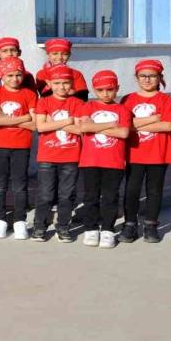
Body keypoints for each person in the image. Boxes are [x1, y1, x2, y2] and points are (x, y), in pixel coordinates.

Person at [119, 59, 171, 243]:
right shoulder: (128, 99)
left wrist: (136, 124)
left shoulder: (166, 100)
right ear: (136, 77)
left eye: (152, 76)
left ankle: (151, 225)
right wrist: (154, 118)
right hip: (134, 152)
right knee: (132, 190)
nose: (147, 79)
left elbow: (167, 126)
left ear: (159, 77)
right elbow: (124, 125)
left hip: (158, 153)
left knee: (154, 190)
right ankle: (130, 224)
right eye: (143, 76)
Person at [76, 70, 132, 249]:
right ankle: (91, 229)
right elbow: (83, 127)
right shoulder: (88, 107)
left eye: (110, 89)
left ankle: (108, 230)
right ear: (94, 90)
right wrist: (110, 124)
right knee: (90, 196)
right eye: (100, 90)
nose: (105, 94)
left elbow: (123, 133)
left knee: (110, 197)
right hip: (90, 160)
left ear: (117, 88)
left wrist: (95, 126)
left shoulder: (122, 109)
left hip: (114, 161)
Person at [31, 64, 84, 242]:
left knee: (66, 195)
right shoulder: (44, 102)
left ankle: (63, 226)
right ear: (49, 84)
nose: (62, 87)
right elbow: (41, 127)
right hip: (47, 157)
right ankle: (40, 225)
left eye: (66, 83)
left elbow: (80, 130)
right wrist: (68, 121)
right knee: (45, 194)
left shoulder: (77, 103)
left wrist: (54, 122)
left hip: (71, 156)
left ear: (72, 83)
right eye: (57, 83)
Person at [0, 56, 37, 239]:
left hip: (21, 145)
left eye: (18, 75)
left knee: (20, 185)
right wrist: (24, 118)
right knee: (0, 185)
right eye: (9, 75)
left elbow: (35, 125)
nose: (14, 79)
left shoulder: (29, 94)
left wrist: (6, 119)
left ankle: (19, 221)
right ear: (2, 75)